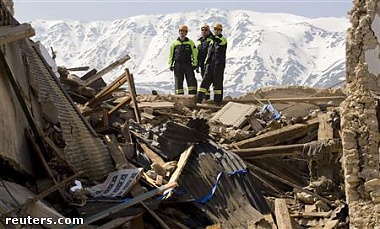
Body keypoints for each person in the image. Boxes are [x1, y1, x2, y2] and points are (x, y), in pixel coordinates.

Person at [197, 23, 227, 106]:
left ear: (221, 31)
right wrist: (205, 63)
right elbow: (209, 54)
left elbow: (219, 41)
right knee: (205, 82)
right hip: (210, 64)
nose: (216, 31)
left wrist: (211, 35)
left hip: (218, 65)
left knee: (217, 83)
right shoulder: (211, 42)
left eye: (218, 29)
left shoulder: (223, 40)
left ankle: (217, 102)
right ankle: (198, 99)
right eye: (215, 29)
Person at [168, 25, 198, 95]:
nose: (182, 32)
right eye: (181, 31)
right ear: (179, 32)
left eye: (184, 31)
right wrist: (170, 64)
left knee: (191, 80)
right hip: (178, 64)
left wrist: (195, 63)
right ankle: (179, 97)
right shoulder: (174, 44)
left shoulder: (190, 43)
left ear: (186, 33)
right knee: (178, 81)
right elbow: (171, 55)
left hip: (188, 64)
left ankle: (192, 96)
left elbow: (194, 53)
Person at [196, 24, 214, 100]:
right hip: (201, 64)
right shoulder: (199, 42)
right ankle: (206, 98)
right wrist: (196, 65)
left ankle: (205, 97)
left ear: (209, 31)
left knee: (205, 81)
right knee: (204, 79)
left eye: (206, 30)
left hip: (208, 64)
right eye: (202, 30)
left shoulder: (211, 40)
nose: (204, 31)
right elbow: (197, 54)